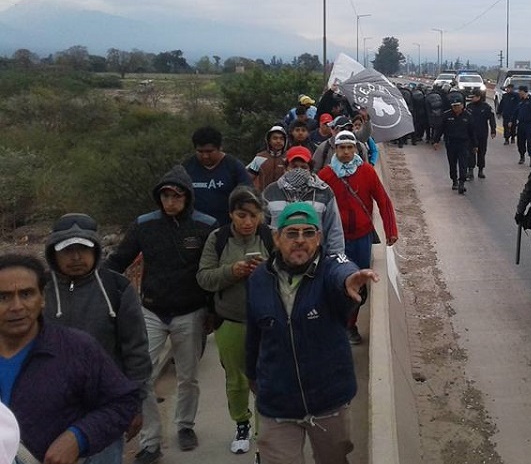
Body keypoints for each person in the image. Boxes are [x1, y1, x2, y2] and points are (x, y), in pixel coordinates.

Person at [245, 203, 379, 464]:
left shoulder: (329, 267)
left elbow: (343, 272)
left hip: (328, 400)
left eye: (308, 233)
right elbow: (253, 336)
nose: (300, 241)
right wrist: (252, 375)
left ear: (319, 238)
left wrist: (349, 282)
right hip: (277, 403)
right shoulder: (259, 279)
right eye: (292, 233)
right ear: (276, 237)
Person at [104, 165, 217, 463]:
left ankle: (185, 426)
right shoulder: (144, 225)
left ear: (188, 197)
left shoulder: (206, 226)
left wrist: (211, 311)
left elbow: (212, 273)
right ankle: (150, 440)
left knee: (188, 376)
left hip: (190, 312)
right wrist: (99, 288)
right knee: (143, 376)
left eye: (177, 196)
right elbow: (118, 261)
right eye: (165, 195)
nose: (170, 201)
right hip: (151, 310)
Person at [0, 253, 141, 464]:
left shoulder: (76, 349)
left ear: (42, 299)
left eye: (27, 294)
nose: (17, 306)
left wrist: (78, 437)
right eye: (4, 297)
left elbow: (122, 402)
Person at [43, 213, 152, 464]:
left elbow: (136, 351)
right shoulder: (38, 292)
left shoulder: (117, 289)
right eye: (67, 250)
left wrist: (136, 404)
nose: (76, 257)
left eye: (84, 248)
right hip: (51, 410)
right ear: (53, 253)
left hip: (105, 409)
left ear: (96, 250)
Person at [197, 187, 274, 455]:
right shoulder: (217, 239)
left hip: (266, 322)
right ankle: (241, 423)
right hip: (229, 321)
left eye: (254, 215)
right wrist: (232, 271)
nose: (248, 222)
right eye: (241, 215)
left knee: (266, 379)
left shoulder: (268, 236)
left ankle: (264, 433)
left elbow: (286, 273)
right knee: (237, 379)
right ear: (231, 214)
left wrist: (265, 269)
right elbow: (204, 277)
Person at [318, 130, 399, 345]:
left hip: (362, 237)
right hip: (335, 241)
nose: (345, 152)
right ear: (335, 149)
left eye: (349, 147)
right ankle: (338, 323)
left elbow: (383, 200)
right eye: (341, 148)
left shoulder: (366, 172)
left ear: (356, 149)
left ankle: (350, 324)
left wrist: (391, 230)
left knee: (359, 282)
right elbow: (316, 208)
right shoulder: (325, 176)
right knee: (336, 281)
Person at [262, 145, 345, 256]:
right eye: (294, 166)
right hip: (279, 258)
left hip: (315, 258)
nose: (299, 171)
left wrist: (336, 258)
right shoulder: (271, 192)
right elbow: (262, 227)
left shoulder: (324, 192)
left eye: (303, 167)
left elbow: (334, 229)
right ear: (286, 167)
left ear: (310, 169)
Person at [182, 125, 253, 227]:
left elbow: (248, 197)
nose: (205, 156)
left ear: (220, 148)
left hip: (226, 229)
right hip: (195, 228)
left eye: (209, 151)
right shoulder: (187, 167)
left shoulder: (234, 167)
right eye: (200, 151)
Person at [433, 92, 476, 194]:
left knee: (463, 164)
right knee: (452, 163)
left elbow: (472, 132)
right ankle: (454, 180)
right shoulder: (446, 116)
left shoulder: (468, 116)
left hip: (463, 144)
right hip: (451, 143)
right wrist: (436, 141)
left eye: (457, 106)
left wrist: (475, 145)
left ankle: (462, 183)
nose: (456, 108)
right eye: (454, 106)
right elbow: (440, 129)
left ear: (462, 106)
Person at [465, 89, 497, 179]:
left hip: (482, 133)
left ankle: (480, 170)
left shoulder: (486, 107)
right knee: (471, 152)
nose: (472, 99)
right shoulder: (469, 107)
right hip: (471, 134)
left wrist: (493, 130)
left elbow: (491, 119)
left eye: (473, 97)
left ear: (478, 97)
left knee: (482, 152)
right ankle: (470, 170)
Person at [246, 125, 289, 192]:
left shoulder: (289, 157)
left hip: (284, 197)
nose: (278, 141)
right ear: (269, 141)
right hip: (264, 197)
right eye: (275, 138)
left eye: (281, 139)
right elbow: (248, 178)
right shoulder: (259, 157)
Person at [514, 85, 531, 167]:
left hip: (530, 125)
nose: (519, 93)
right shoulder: (519, 101)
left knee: (530, 142)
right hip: (521, 124)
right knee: (520, 142)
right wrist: (512, 121)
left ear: (524, 92)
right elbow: (516, 112)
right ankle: (522, 157)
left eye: (520, 91)